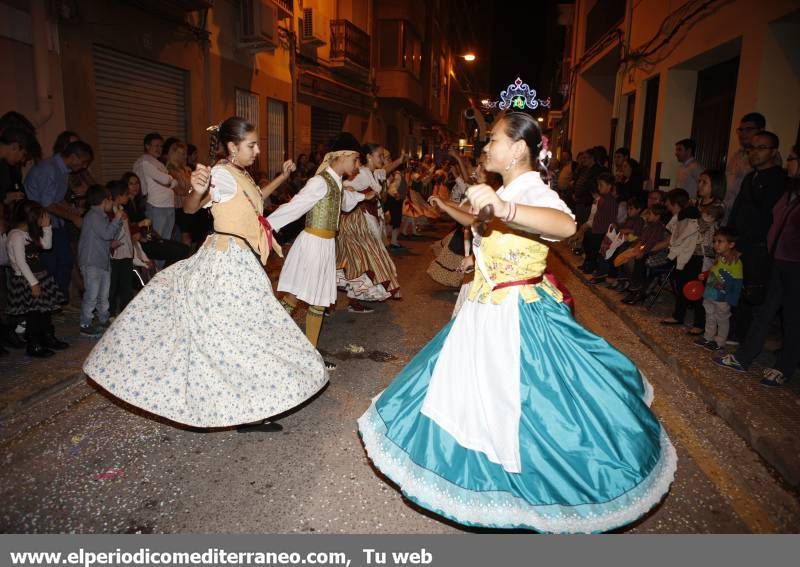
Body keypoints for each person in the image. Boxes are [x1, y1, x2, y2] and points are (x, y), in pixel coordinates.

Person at [357, 112, 676, 533]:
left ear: (519, 148)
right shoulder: (505, 188)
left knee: (529, 406)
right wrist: (456, 207)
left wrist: (504, 206)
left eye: (492, 140)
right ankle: (484, 482)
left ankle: (532, 488)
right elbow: (480, 223)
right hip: (483, 309)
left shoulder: (533, 191)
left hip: (515, 312)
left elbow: (564, 224)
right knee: (465, 397)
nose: (486, 147)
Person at [83, 117, 327, 431]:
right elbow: (190, 209)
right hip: (228, 263)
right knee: (243, 334)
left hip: (240, 260)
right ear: (232, 146)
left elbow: (257, 200)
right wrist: (196, 191)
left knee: (242, 335)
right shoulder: (222, 174)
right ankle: (242, 408)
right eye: (251, 145)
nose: (257, 150)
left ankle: (246, 407)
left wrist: (282, 177)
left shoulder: (239, 173)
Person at [268, 132, 374, 366]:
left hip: (325, 245)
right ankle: (298, 351)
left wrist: (363, 195)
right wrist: (266, 226)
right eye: (356, 160)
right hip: (313, 244)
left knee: (304, 297)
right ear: (344, 156)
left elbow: (344, 202)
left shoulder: (336, 182)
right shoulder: (319, 182)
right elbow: (295, 207)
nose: (357, 166)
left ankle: (290, 346)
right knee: (311, 298)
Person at [715, 144, 800, 387]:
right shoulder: (789, 190)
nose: (788, 163)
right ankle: (743, 357)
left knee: (793, 319)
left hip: (795, 265)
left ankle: (784, 367)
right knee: (764, 312)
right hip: (778, 260)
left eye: (793, 159)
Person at [24, 140, 94, 301]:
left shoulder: (63, 170)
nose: (84, 166)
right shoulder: (48, 168)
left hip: (56, 223)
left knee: (66, 261)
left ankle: (59, 301)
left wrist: (73, 210)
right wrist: (73, 217)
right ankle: (49, 303)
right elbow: (47, 204)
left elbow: (57, 199)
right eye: (83, 162)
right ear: (74, 156)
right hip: (39, 224)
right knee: (50, 265)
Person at [6, 200, 68, 357]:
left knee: (45, 311)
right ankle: (34, 344)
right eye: (40, 217)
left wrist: (47, 227)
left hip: (41, 277)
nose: (42, 219)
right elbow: (21, 262)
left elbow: (47, 246)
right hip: (27, 280)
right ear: (30, 217)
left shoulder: (28, 233)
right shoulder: (16, 236)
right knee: (34, 315)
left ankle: (48, 338)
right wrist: (33, 283)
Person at [78, 185, 124, 337]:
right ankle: (85, 323)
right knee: (92, 294)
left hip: (102, 261)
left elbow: (108, 235)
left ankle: (103, 319)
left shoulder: (101, 216)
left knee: (103, 294)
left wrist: (117, 222)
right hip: (92, 262)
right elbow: (106, 234)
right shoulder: (93, 216)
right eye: (110, 199)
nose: (112, 203)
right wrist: (117, 219)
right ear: (105, 201)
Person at [696, 227, 742, 352]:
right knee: (709, 316)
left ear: (731, 244)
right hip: (710, 293)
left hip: (722, 297)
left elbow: (737, 282)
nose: (716, 245)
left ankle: (720, 341)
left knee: (722, 319)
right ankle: (708, 337)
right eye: (715, 241)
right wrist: (705, 274)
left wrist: (732, 298)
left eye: (720, 241)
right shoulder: (718, 257)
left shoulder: (735, 262)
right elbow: (713, 271)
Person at [133, 133, 178, 252]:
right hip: (156, 206)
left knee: (165, 242)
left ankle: (161, 269)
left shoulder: (158, 163)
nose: (159, 149)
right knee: (156, 243)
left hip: (167, 206)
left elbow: (173, 182)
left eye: (161, 146)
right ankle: (154, 270)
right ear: (147, 146)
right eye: (156, 145)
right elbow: (166, 180)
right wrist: (169, 179)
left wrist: (169, 180)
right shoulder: (144, 161)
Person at [724, 112, 766, 223]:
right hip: (726, 214)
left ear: (761, 130)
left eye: (748, 130)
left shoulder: (764, 159)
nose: (743, 134)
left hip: (744, 219)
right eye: (741, 130)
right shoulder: (737, 155)